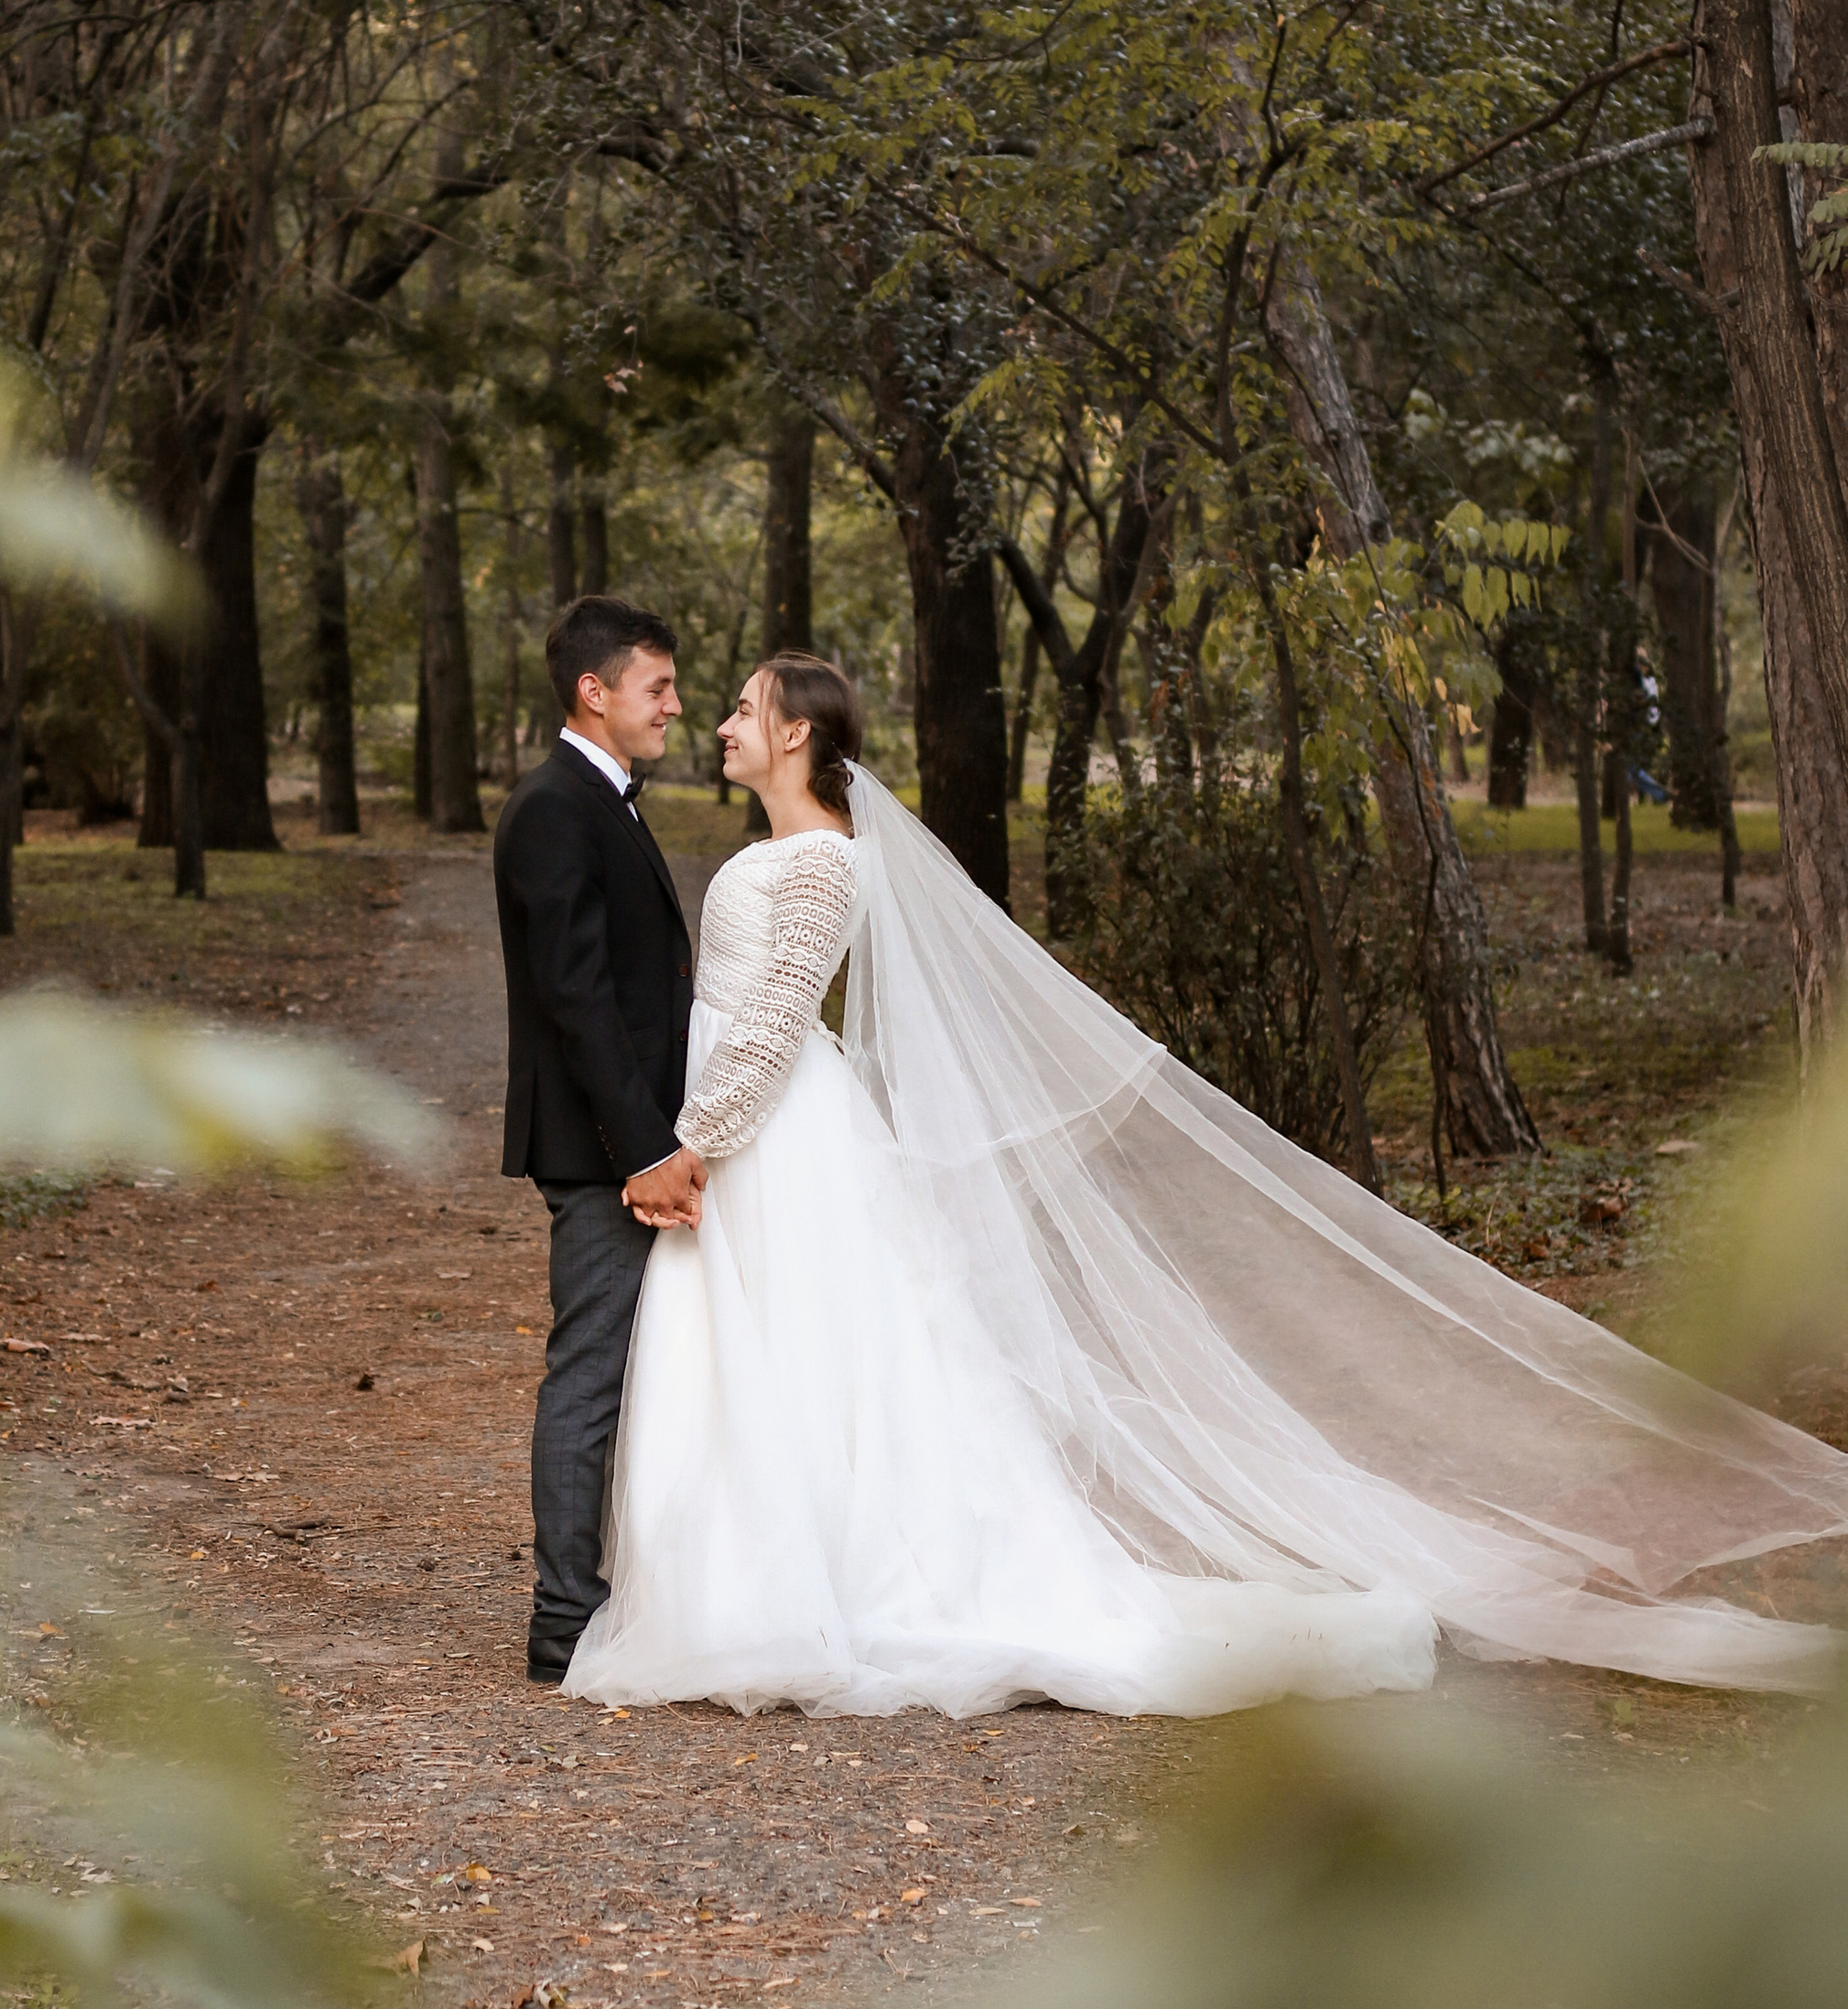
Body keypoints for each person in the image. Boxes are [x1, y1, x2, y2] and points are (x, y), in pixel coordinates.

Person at [563, 653, 1848, 1716]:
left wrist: (695, 1143)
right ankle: (756, 1580)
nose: (721, 724)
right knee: (773, 1361)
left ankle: (810, 1593)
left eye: (738, 707)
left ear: (791, 732)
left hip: (767, 1131)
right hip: (758, 1131)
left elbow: (782, 1016)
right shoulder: (793, 850)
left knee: (811, 1362)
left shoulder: (826, 861)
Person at [493, 593, 700, 1686]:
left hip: (626, 1139)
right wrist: (643, 1151)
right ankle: (565, 1620)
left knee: (619, 1370)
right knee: (587, 1377)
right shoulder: (552, 810)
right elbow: (574, 998)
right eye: (656, 687)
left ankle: (602, 1593)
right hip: (599, 1150)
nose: (674, 706)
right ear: (596, 689)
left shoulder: (604, 801)